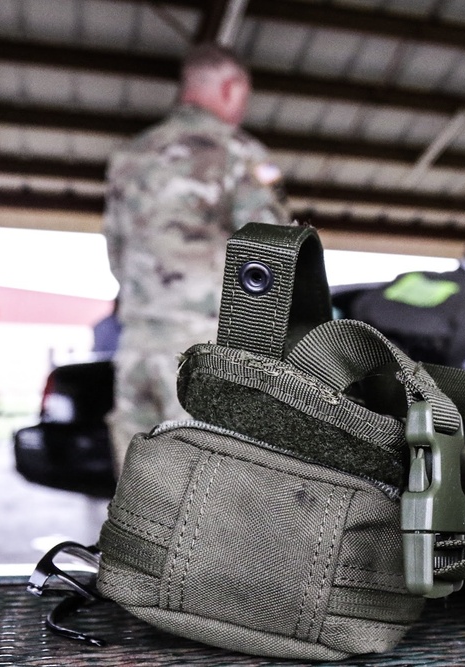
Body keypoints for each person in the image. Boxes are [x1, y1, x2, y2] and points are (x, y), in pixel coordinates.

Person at [103, 43, 289, 474]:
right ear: (231, 87)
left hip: (135, 342)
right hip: (200, 348)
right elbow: (273, 253)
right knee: (202, 488)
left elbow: (116, 249)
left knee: (138, 484)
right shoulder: (237, 152)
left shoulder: (130, 155)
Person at [349, 238, 465, 367]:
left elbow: (362, 304)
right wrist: (451, 377)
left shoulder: (418, 277)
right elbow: (463, 340)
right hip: (414, 363)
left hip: (368, 353)